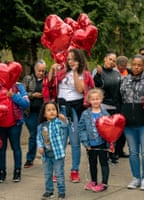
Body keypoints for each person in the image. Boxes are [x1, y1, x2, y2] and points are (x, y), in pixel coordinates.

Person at [48, 48, 94, 183]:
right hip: (61, 109)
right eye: (68, 59)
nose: (70, 61)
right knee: (59, 142)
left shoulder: (84, 74)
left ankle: (75, 170)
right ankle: (58, 171)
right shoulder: (62, 73)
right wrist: (51, 70)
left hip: (75, 109)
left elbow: (80, 90)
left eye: (73, 59)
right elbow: (50, 85)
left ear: (79, 60)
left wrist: (74, 71)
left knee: (74, 142)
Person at [120, 54, 144, 191]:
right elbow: (120, 100)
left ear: (143, 65)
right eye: (134, 64)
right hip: (129, 125)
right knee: (133, 152)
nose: (136, 67)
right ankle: (136, 177)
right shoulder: (124, 80)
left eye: (139, 65)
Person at [0, 62, 30, 183]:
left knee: (16, 147)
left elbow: (26, 103)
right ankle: (2, 172)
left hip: (15, 124)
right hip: (0, 125)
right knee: (1, 149)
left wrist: (13, 96)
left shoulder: (18, 86)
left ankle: (17, 172)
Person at [93, 51, 122, 163]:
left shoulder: (116, 73)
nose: (112, 62)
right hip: (103, 106)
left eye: (114, 61)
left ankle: (112, 153)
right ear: (105, 59)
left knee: (113, 132)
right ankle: (102, 154)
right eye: (110, 59)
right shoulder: (98, 71)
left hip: (116, 106)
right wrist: (98, 75)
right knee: (103, 131)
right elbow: (97, 86)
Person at [79, 88, 109, 192]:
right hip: (90, 144)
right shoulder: (85, 114)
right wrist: (86, 143)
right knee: (92, 163)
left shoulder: (105, 114)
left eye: (97, 98)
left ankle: (104, 183)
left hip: (102, 143)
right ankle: (94, 181)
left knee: (104, 162)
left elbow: (110, 129)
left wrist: (110, 144)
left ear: (101, 99)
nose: (95, 101)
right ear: (89, 101)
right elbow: (81, 128)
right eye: (93, 99)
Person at [37, 101, 66, 200]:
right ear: (44, 114)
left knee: (59, 174)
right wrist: (40, 146)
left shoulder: (58, 122)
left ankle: (61, 192)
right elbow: (39, 137)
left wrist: (64, 119)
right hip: (46, 154)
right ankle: (49, 191)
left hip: (57, 154)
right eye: (49, 110)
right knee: (47, 174)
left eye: (54, 109)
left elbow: (65, 125)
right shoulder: (41, 126)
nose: (52, 112)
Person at [22, 59, 47, 168]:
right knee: (33, 135)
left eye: (43, 71)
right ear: (34, 69)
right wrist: (33, 95)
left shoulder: (47, 80)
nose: (41, 73)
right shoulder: (28, 79)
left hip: (44, 112)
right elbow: (23, 93)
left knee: (45, 135)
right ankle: (30, 158)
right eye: (39, 71)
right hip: (30, 112)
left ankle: (47, 157)